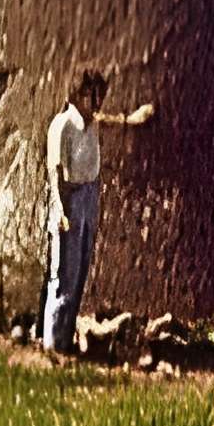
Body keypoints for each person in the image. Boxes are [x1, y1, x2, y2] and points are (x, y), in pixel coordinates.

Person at [42, 71, 153, 354]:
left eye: (99, 95)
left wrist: (134, 119)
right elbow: (55, 174)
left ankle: (64, 340)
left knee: (80, 272)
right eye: (91, 95)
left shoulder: (92, 123)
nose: (97, 101)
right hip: (70, 198)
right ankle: (52, 344)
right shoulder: (62, 126)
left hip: (89, 195)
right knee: (63, 274)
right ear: (76, 95)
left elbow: (114, 120)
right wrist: (60, 210)